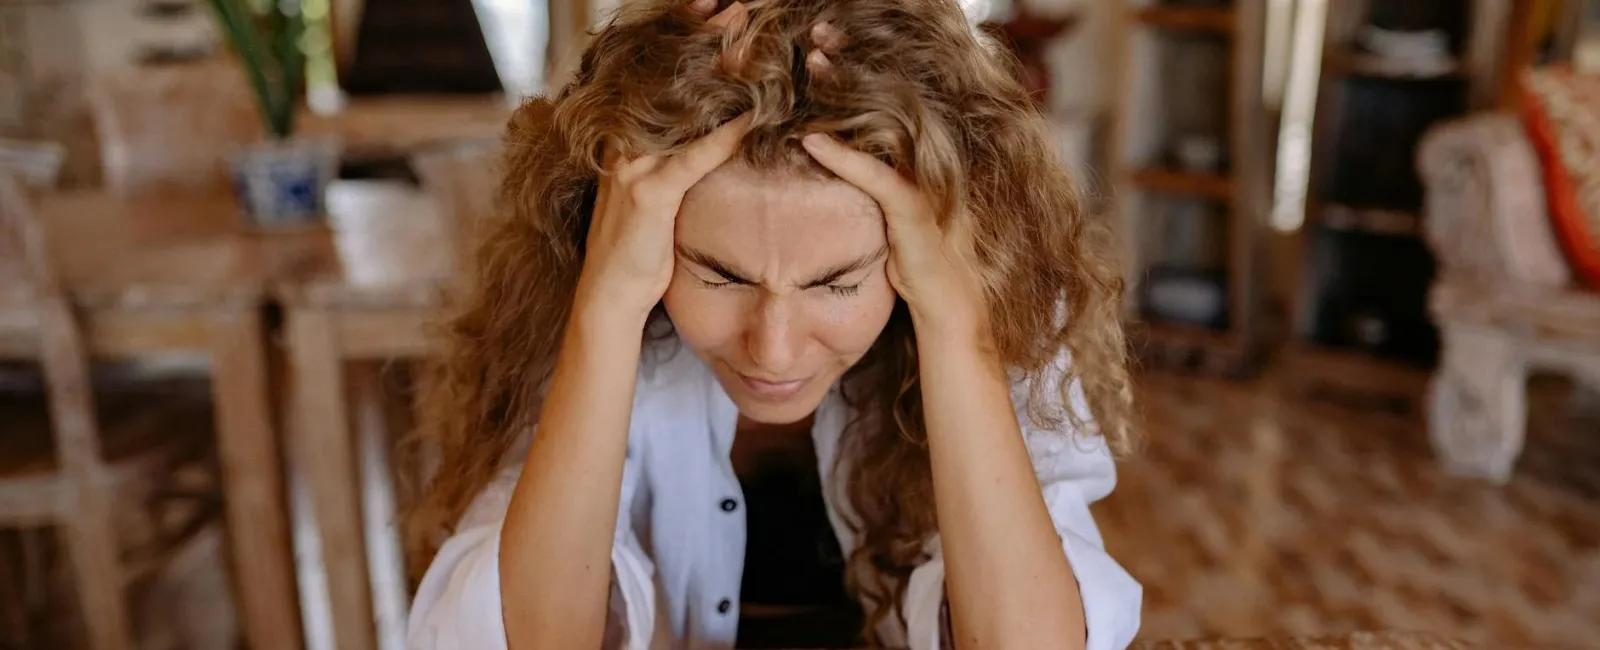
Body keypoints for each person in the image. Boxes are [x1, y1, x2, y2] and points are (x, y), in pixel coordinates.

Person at [404, 0, 1142, 648]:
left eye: (837, 282)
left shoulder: (993, 306)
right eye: (720, 274)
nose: (774, 349)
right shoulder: (579, 301)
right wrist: (605, 309)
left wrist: (956, 328)